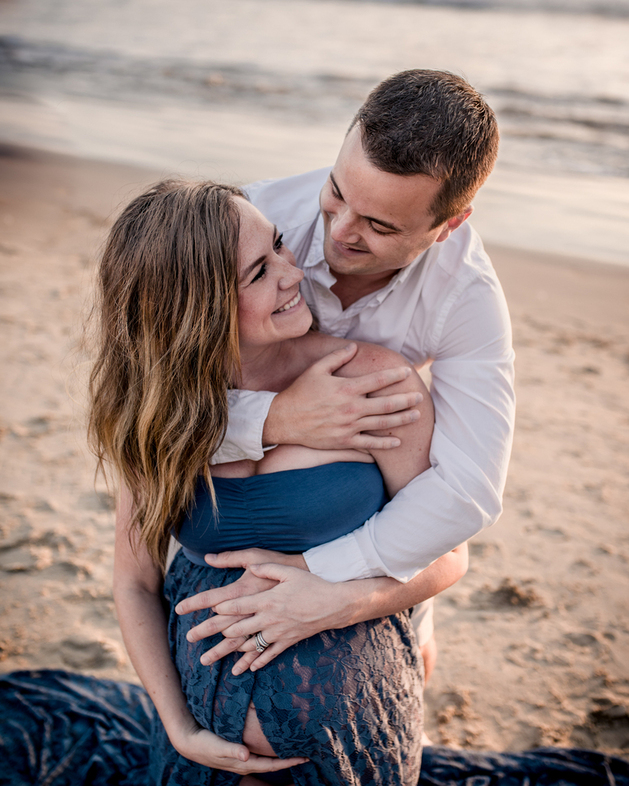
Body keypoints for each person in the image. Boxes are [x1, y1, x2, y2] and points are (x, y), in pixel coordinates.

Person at [89, 179, 469, 783]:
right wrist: (178, 726)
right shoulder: (155, 407)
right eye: (259, 273)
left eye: (282, 247)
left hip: (347, 736)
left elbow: (449, 555)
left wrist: (334, 601)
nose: (294, 275)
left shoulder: (372, 383)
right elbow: (135, 580)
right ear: (198, 306)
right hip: (200, 732)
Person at [176, 69, 515, 685]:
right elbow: (140, 395)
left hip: (375, 490)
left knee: (418, 638)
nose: (339, 231)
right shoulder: (256, 220)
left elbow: (469, 490)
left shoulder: (466, 297)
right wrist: (272, 419)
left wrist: (329, 577)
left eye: (380, 226)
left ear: (449, 225)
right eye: (337, 193)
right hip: (232, 487)